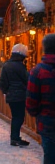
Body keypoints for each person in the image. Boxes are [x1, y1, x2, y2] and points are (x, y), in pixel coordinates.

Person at [26, 34, 55, 163]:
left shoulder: (37, 71)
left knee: (49, 156)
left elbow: (31, 101)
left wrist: (35, 113)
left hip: (47, 122)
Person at [0, 43, 29, 147]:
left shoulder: (6, 65)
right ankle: (15, 138)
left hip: (11, 96)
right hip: (20, 95)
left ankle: (15, 137)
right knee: (19, 117)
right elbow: (27, 79)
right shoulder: (20, 66)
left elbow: (2, 82)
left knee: (16, 116)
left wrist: (7, 91)